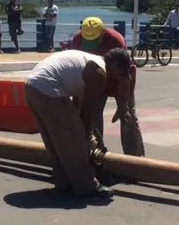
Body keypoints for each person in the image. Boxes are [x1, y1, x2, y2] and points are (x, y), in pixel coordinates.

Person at [25, 48, 133, 199]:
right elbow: (87, 112)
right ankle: (86, 186)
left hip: (32, 87)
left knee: (56, 141)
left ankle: (64, 182)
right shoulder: (99, 73)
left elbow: (78, 105)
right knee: (75, 141)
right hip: (48, 90)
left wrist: (123, 106)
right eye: (119, 73)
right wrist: (86, 136)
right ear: (113, 64)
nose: (116, 78)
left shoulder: (90, 62)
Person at [68, 16, 144, 156]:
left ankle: (136, 159)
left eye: (94, 41)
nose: (92, 46)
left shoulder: (115, 40)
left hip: (118, 80)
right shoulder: (77, 40)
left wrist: (122, 104)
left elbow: (123, 75)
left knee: (128, 117)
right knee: (92, 116)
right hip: (94, 81)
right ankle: (96, 154)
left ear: (102, 33)